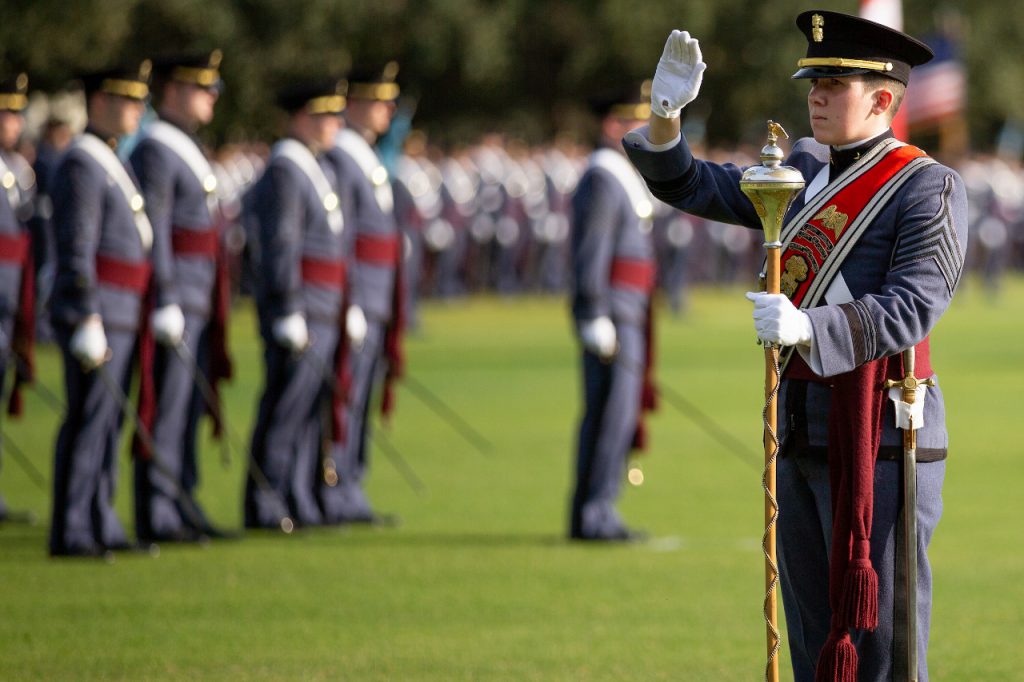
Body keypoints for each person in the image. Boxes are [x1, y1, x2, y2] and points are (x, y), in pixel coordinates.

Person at [623, 12, 967, 681]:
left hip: (883, 433)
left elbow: (915, 304)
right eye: (814, 80)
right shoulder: (800, 169)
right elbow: (689, 182)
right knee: (812, 641)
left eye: (834, 83)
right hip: (800, 425)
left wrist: (811, 327)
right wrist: (666, 113)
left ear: (882, 99)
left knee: (882, 650)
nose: (815, 94)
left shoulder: (926, 185)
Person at [48, 61, 155, 558]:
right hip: (100, 313)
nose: (136, 109)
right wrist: (86, 313)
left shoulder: (108, 159)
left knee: (109, 423)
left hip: (122, 311)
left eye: (138, 100)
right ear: (100, 103)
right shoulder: (82, 162)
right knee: (89, 420)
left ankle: (100, 520)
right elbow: (77, 249)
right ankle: (72, 529)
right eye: (126, 100)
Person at [128, 50, 232, 543]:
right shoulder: (156, 149)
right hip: (178, 299)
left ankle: (180, 498)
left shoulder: (182, 146)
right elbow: (158, 231)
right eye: (201, 87)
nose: (212, 96)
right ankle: (159, 508)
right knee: (166, 409)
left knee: (186, 409)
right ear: (171, 92)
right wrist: (166, 295)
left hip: (199, 297)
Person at [244, 78, 350, 530]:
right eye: (326, 116)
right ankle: (266, 502)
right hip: (301, 307)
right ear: (302, 118)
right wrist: (288, 306)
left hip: (322, 308)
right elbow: (282, 245)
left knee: (308, 414)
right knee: (285, 412)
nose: (335, 125)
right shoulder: (287, 169)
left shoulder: (312, 166)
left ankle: (295, 498)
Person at [568, 83, 658, 542]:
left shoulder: (620, 173)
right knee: (609, 416)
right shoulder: (603, 175)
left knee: (618, 415)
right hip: (614, 315)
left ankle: (597, 508)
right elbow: (592, 253)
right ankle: (594, 512)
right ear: (612, 126)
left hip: (629, 312)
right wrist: (593, 313)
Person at [321, 63, 403, 525]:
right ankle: (334, 487)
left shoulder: (365, 155)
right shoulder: (343, 157)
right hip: (358, 298)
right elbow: (345, 239)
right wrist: (348, 300)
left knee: (362, 398)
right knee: (344, 398)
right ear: (353, 105)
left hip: (376, 298)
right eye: (378, 101)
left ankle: (350, 484)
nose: (387, 110)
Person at [0, 73, 37, 523]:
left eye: (16, 113)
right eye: (5, 112)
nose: (13, 121)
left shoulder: (17, 170)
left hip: (10, 304)